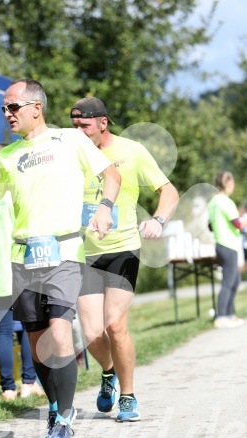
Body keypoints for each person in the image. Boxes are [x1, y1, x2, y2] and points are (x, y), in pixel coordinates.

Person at [0, 79, 121, 438]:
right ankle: (54, 410)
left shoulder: (70, 140)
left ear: (37, 107)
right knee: (38, 348)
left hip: (64, 253)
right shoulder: (9, 156)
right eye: (4, 108)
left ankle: (64, 422)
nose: (7, 114)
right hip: (22, 259)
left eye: (13, 107)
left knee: (60, 333)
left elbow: (111, 174)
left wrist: (104, 208)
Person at [70, 97, 179, 421]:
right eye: (73, 124)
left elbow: (168, 191)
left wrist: (157, 220)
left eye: (84, 125)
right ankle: (108, 372)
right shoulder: (70, 153)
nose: (78, 130)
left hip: (123, 248)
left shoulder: (131, 151)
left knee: (116, 326)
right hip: (82, 251)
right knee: (90, 331)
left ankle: (128, 396)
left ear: (103, 123)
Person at [0, 143, 43, 400]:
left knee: (2, 330)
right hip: (17, 266)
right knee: (27, 326)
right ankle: (28, 383)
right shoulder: (13, 190)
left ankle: (7, 389)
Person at [208, 172, 247, 328]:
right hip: (228, 244)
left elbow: (210, 226)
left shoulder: (212, 202)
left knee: (235, 280)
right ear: (228, 184)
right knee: (228, 281)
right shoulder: (225, 201)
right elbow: (238, 224)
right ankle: (221, 316)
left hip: (220, 244)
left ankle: (229, 315)